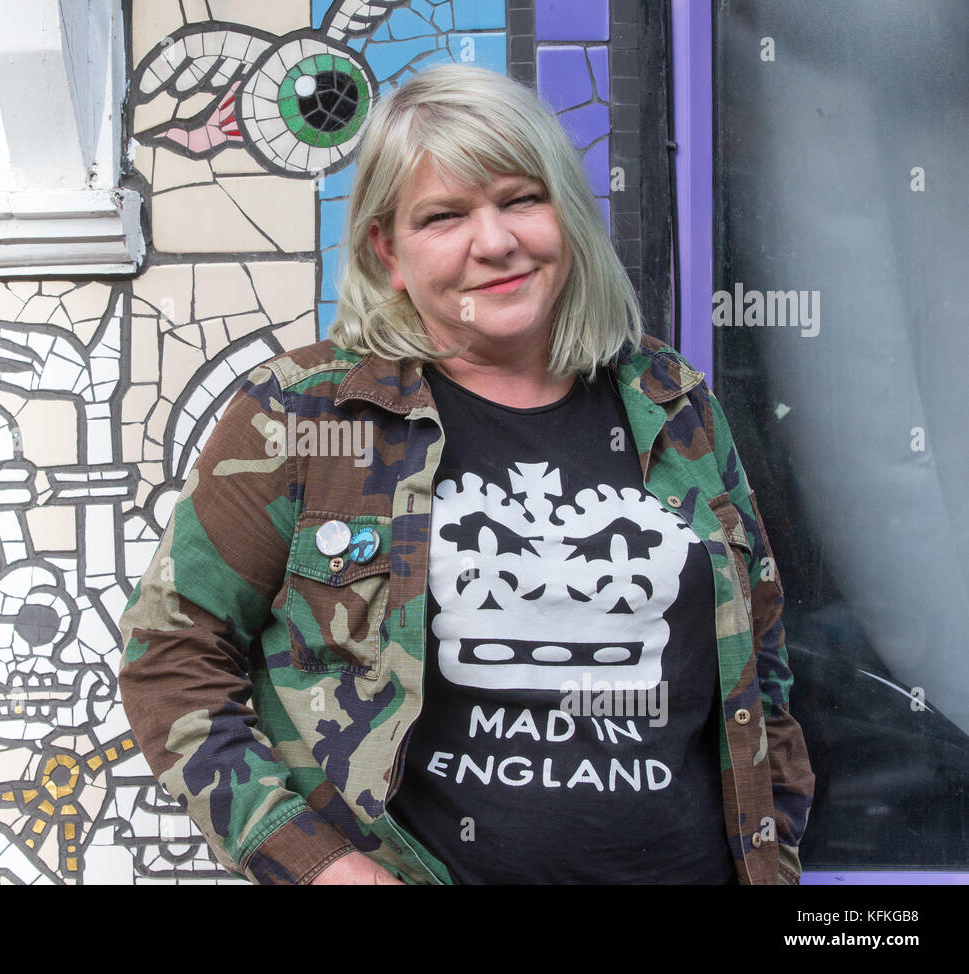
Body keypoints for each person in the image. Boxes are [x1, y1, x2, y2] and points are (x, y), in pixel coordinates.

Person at [117, 64, 814, 885]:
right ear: (389, 250)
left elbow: (760, 658)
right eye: (444, 216)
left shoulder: (671, 399)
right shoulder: (303, 417)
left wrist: (780, 844)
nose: (495, 241)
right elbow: (172, 661)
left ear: (567, 214)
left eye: (521, 199)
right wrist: (325, 869)